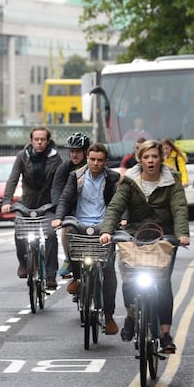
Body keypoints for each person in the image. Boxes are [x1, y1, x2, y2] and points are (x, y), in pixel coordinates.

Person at [98, 140, 190, 354]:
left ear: (161, 158)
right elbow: (115, 206)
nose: (151, 161)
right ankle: (131, 315)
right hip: (135, 235)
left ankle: (166, 334)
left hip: (164, 236)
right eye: (146, 157)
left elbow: (179, 207)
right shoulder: (129, 181)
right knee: (130, 277)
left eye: (154, 157)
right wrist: (107, 231)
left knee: (163, 283)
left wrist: (182, 233)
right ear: (140, 159)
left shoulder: (172, 179)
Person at [52, 143, 121, 334]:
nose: (95, 163)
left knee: (108, 270)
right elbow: (65, 199)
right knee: (73, 248)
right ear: (87, 159)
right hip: (80, 225)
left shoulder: (113, 178)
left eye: (100, 160)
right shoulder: (76, 176)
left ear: (105, 162)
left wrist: (122, 221)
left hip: (104, 228)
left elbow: (120, 201)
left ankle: (108, 317)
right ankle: (77, 278)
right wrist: (59, 217)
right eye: (92, 159)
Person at [1, 127, 62, 289]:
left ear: (48, 141)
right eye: (36, 139)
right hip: (26, 203)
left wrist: (57, 205)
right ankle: (23, 262)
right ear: (31, 141)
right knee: (20, 232)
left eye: (43, 139)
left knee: (50, 235)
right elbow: (12, 179)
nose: (39, 142)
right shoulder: (22, 157)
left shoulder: (56, 159)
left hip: (48, 203)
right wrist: (7, 201)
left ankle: (50, 275)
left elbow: (58, 184)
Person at [51, 132, 90, 278]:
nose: (74, 155)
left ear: (86, 151)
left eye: (78, 151)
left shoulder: (92, 165)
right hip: (72, 207)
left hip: (92, 208)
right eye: (72, 151)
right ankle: (68, 259)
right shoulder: (65, 168)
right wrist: (59, 211)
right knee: (67, 229)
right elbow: (57, 189)